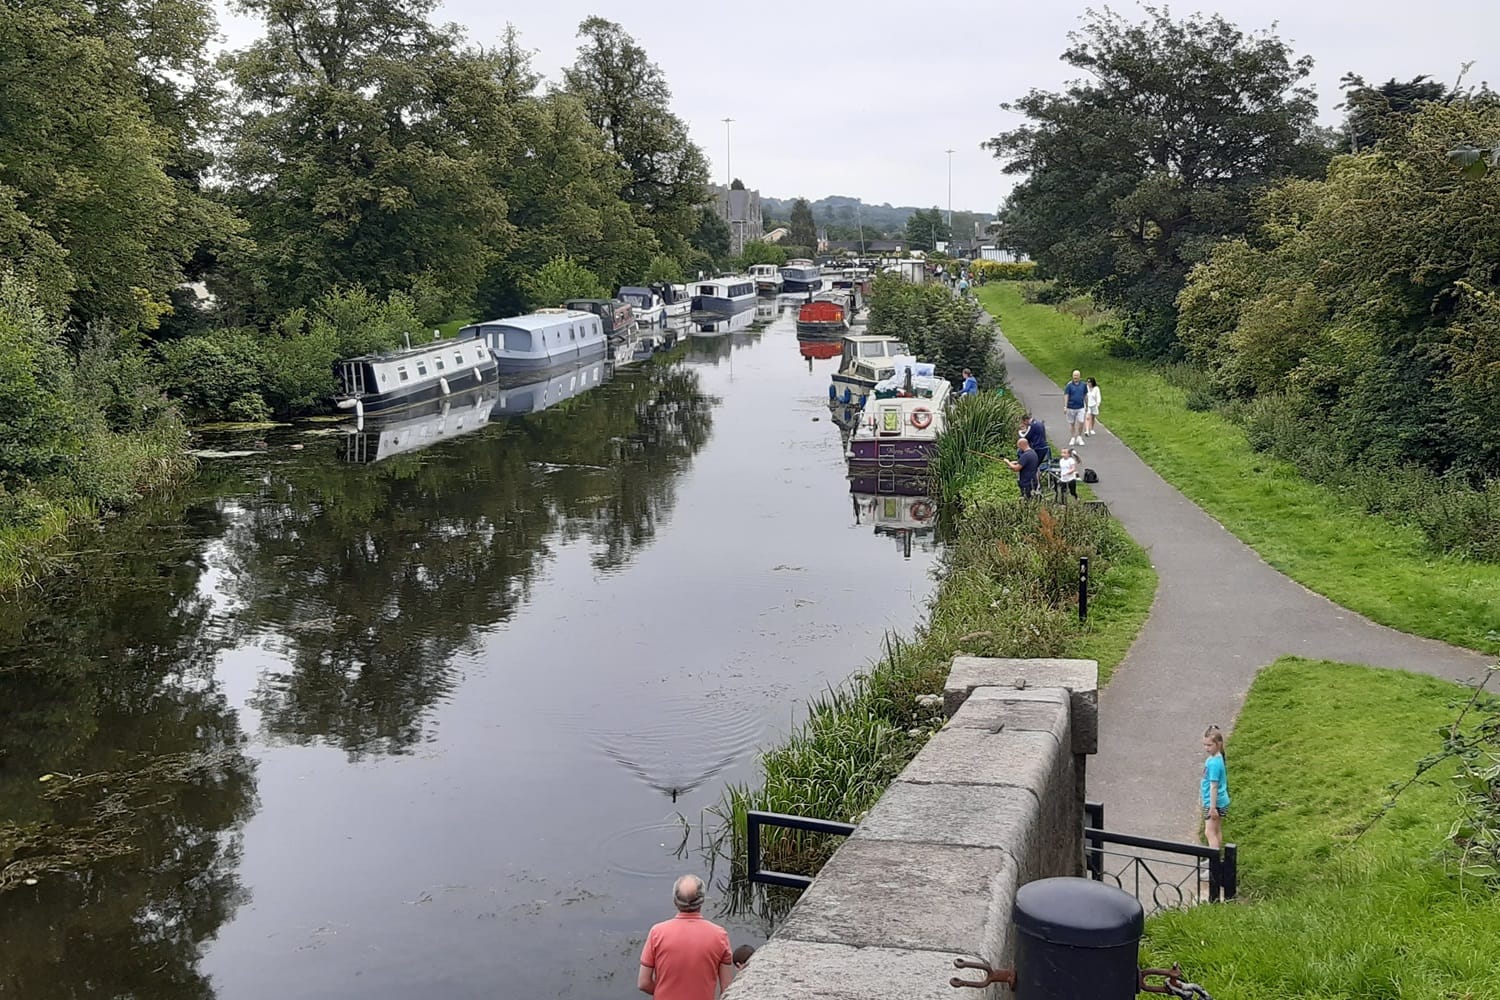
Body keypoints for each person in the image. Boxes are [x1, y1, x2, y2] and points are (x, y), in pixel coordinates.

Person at [638, 875, 734, 999]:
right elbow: (727, 988)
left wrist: (664, 992)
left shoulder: (657, 933)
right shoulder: (720, 935)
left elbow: (643, 983)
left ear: (674, 900)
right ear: (702, 900)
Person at [1201, 725, 1230, 892]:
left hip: (1214, 804)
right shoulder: (1217, 758)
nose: (1206, 748)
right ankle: (1215, 857)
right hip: (1222, 802)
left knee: (1209, 832)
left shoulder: (1214, 763)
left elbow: (1213, 786)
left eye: (1209, 745)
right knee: (1217, 830)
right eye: (1204, 745)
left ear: (1217, 744)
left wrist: (1212, 808)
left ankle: (1213, 865)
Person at [1063, 370, 1088, 447]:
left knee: (1081, 422)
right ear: (1072, 376)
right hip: (1071, 407)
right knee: (1072, 423)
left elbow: (1085, 395)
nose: (1075, 377)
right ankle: (1073, 438)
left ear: (1079, 376)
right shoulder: (1069, 385)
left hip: (1080, 407)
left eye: (1077, 375)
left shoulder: (1083, 385)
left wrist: (1086, 405)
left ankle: (1079, 437)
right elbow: (1066, 395)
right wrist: (1065, 406)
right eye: (1074, 375)